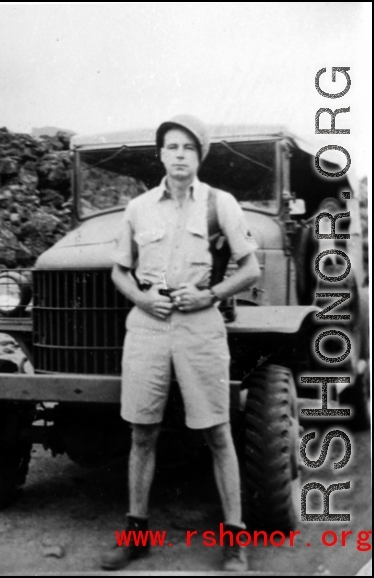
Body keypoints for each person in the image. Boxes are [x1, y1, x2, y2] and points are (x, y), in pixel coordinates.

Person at [101, 115, 260, 572]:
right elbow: (119, 270)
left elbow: (250, 270)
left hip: (200, 326)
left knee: (217, 431)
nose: (179, 154)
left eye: (189, 147)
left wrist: (208, 294)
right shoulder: (138, 208)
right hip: (148, 328)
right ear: (160, 154)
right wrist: (142, 299)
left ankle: (235, 541)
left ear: (199, 155)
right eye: (171, 146)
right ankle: (136, 536)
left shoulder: (220, 204)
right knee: (141, 431)